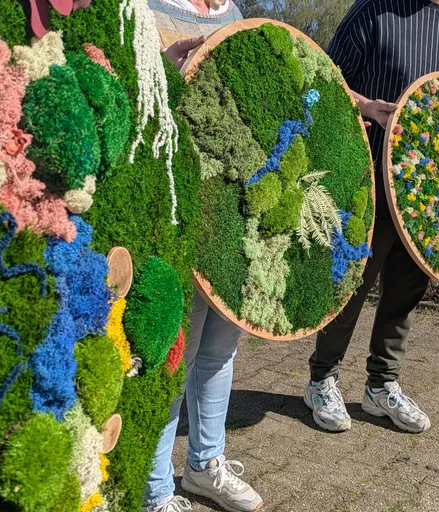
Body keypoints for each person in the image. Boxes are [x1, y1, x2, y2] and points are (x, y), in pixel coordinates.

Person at [305, 0, 439, 434]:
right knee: (352, 282)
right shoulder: (375, 11)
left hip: (426, 194)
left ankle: (382, 385)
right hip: (367, 174)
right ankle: (321, 378)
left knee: (407, 288)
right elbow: (320, 80)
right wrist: (365, 106)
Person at [145, 3, 264, 512]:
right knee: (176, 355)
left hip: (231, 216)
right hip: (174, 205)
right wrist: (160, 74)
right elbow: (122, 84)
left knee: (219, 349)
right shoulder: (145, 5)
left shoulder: (232, 11)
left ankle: (203, 465)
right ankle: (154, 490)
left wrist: (362, 105)